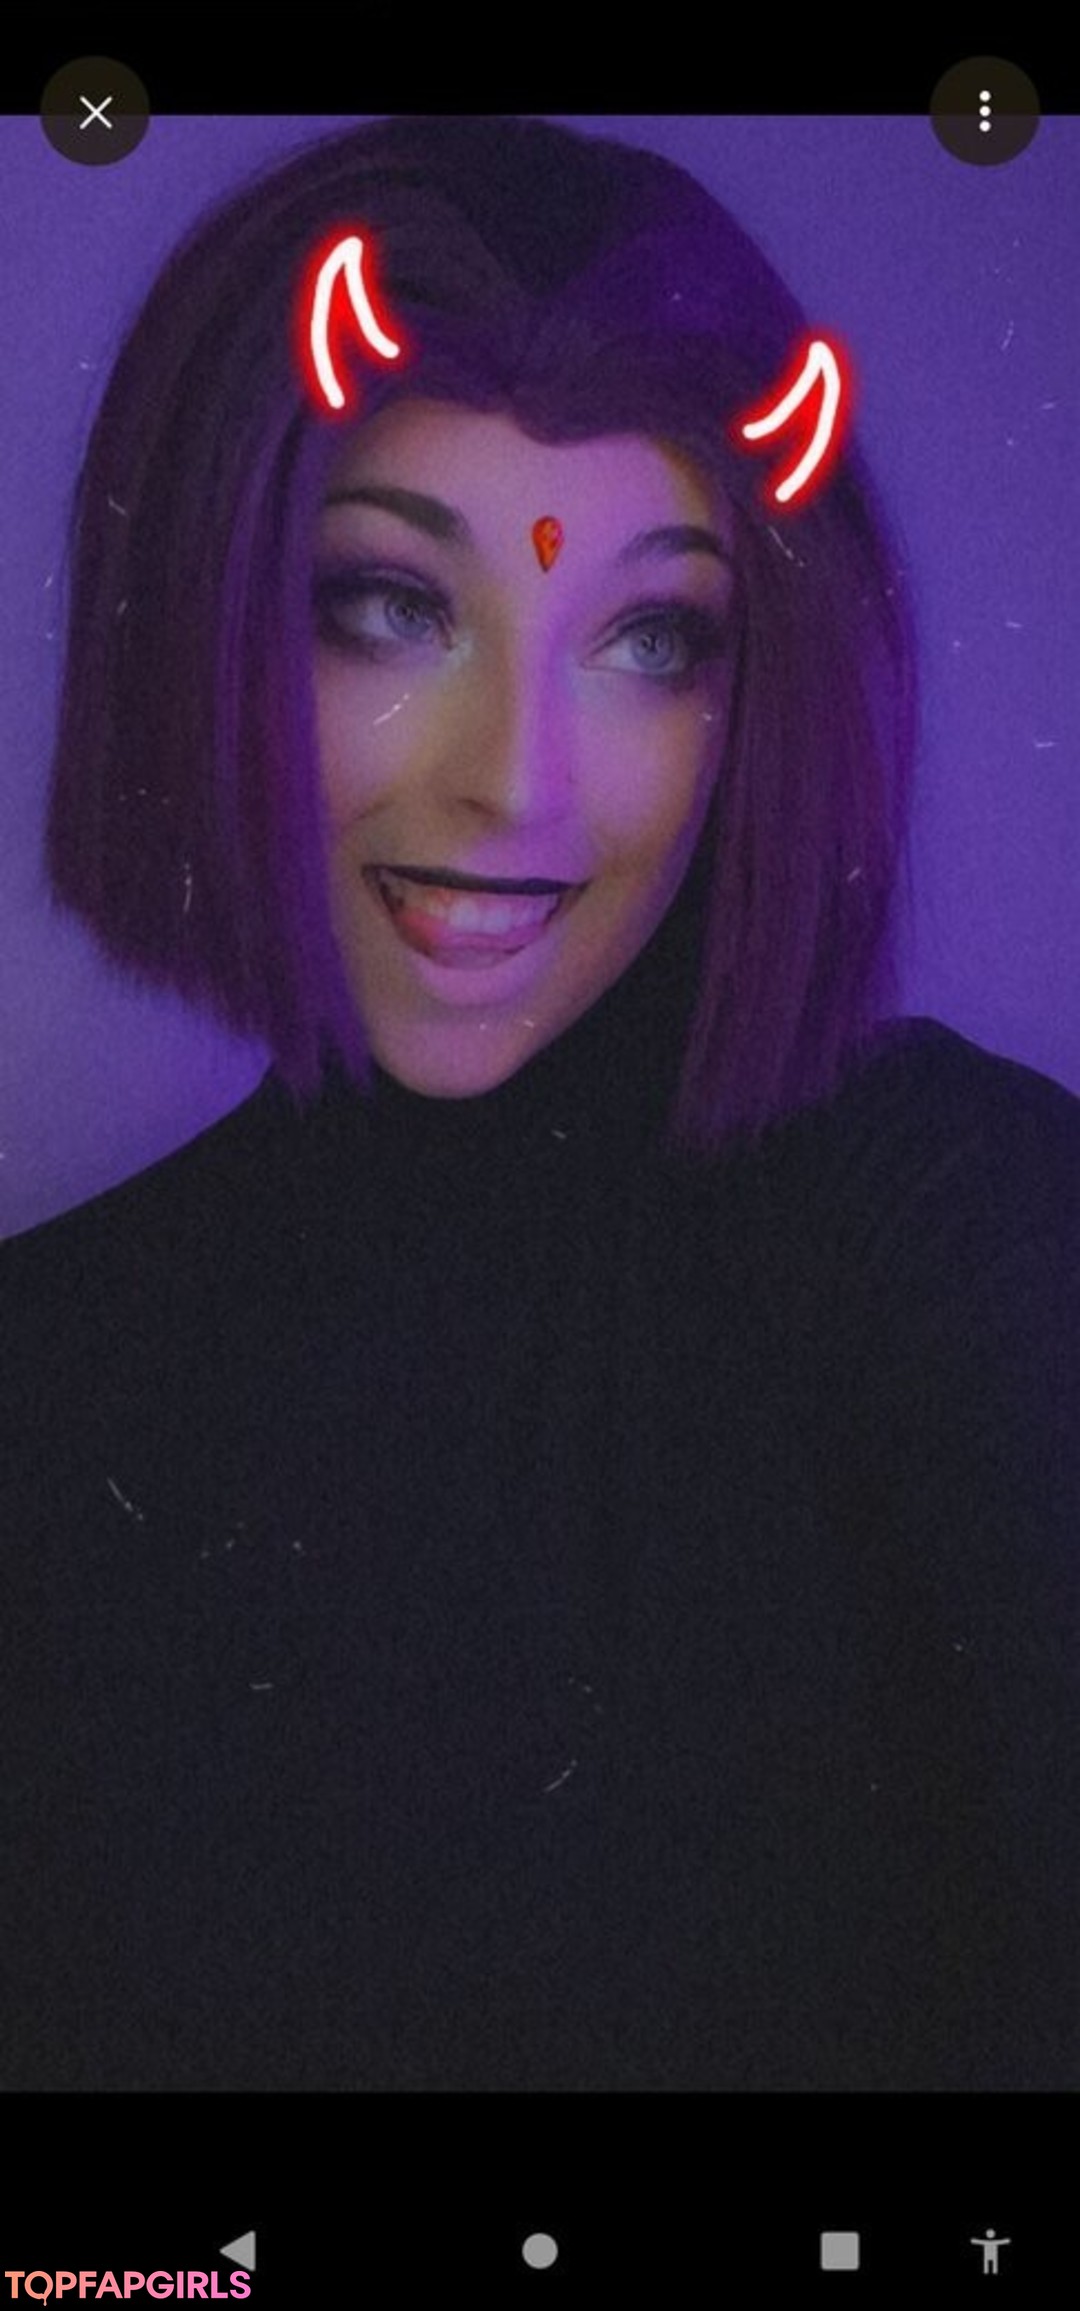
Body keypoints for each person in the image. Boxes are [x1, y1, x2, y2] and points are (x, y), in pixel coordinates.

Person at [1, 114, 1077, 2094]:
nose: (522, 783)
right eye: (389, 606)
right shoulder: (44, 1377)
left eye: (654, 638)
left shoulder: (959, 1234)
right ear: (207, 608)